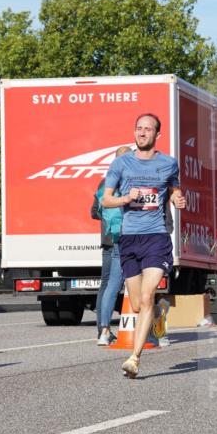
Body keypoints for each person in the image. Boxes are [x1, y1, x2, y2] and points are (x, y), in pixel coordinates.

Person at [101, 114, 186, 378]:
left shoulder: (168, 164)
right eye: (139, 128)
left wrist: (178, 199)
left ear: (157, 135)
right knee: (138, 305)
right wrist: (126, 197)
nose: (142, 133)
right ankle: (159, 314)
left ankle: (134, 358)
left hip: (156, 237)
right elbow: (105, 200)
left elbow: (174, 190)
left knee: (147, 296)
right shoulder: (121, 163)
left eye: (148, 129)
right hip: (129, 238)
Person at [93, 145, 130, 345]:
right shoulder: (130, 180)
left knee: (107, 285)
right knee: (130, 282)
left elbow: (94, 211)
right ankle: (143, 330)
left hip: (109, 239)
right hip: (128, 237)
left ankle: (103, 330)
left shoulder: (104, 183)